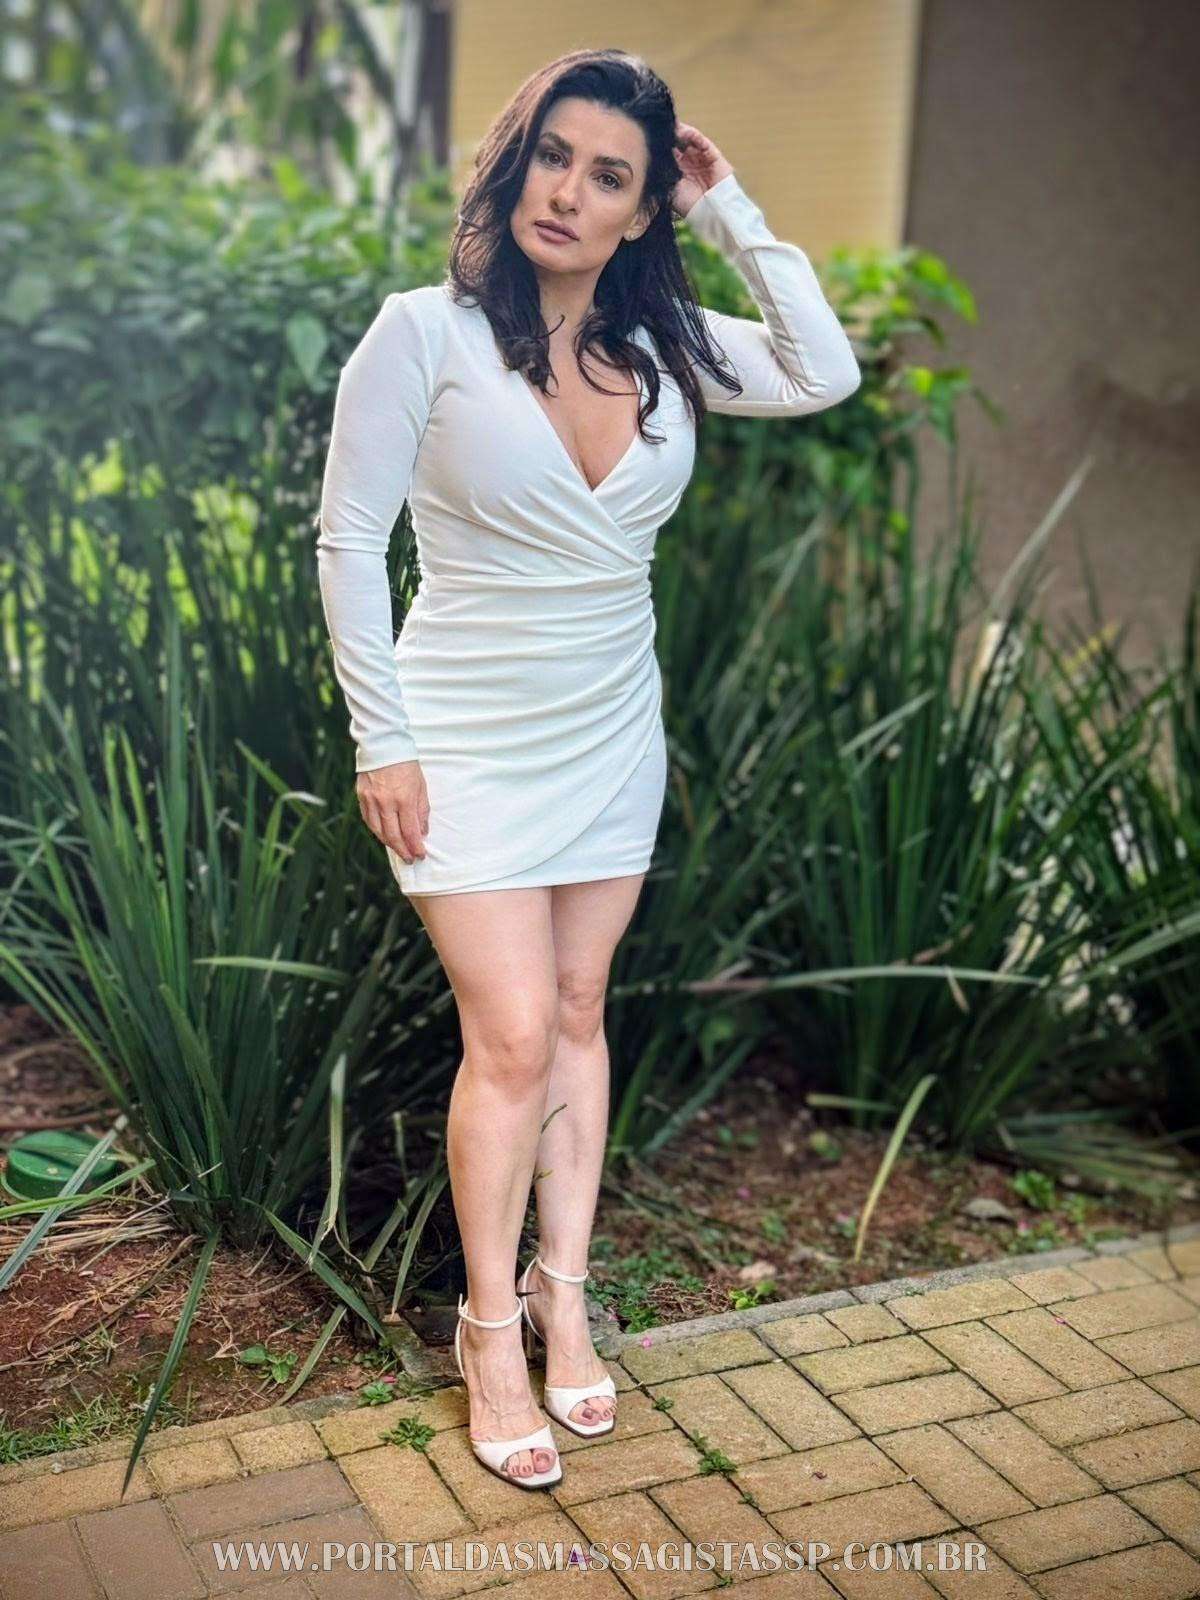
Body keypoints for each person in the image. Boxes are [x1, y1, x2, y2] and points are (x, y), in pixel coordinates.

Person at [316, 47, 861, 1491]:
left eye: (610, 174)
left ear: (640, 209)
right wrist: (383, 737)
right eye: (553, 155)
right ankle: (488, 1327)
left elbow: (825, 369)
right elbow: (351, 540)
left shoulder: (669, 345)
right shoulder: (423, 334)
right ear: (516, 164)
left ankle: (565, 1292)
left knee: (574, 1011)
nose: (569, 190)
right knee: (509, 1035)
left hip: (613, 729)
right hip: (465, 737)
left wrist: (730, 208)